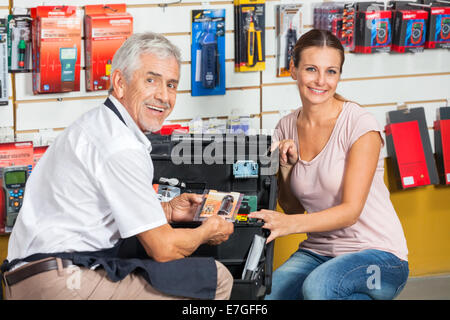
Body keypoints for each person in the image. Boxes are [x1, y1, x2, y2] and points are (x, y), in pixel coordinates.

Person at [1, 32, 234, 300]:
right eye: (151, 80)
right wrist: (207, 232)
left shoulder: (97, 125)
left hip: (31, 277)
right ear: (120, 83)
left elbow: (91, 212)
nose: (163, 96)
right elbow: (163, 248)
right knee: (215, 279)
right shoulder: (120, 146)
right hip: (62, 282)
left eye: (171, 85)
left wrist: (167, 211)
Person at [248, 29, 409, 300]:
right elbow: (293, 207)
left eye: (331, 71)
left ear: (339, 76)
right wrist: (286, 168)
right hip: (319, 252)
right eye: (311, 69)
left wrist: (288, 224)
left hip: (381, 259)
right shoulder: (285, 126)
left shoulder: (360, 126)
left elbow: (350, 212)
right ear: (293, 70)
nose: (321, 81)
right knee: (268, 297)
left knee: (319, 288)